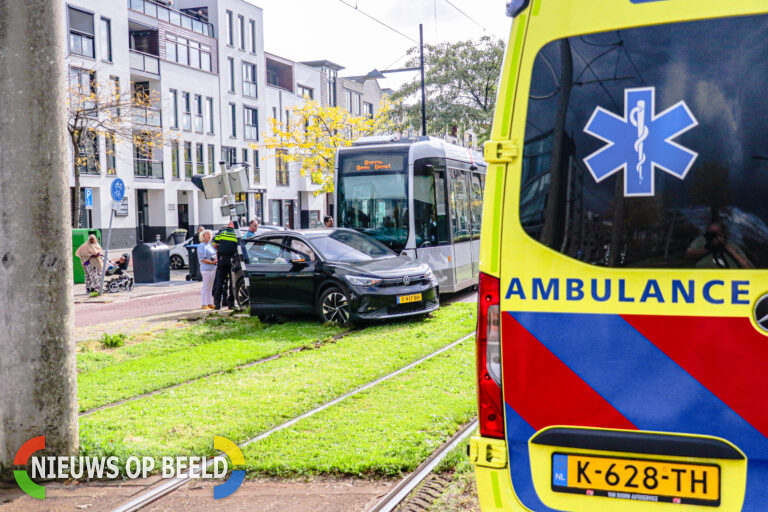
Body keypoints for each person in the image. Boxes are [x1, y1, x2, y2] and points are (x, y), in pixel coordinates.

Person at [685, 221, 754, 269]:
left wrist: (726, 246)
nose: (712, 236)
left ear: (723, 234)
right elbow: (688, 255)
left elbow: (748, 268)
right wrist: (709, 247)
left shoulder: (732, 245)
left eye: (715, 233)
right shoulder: (701, 241)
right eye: (709, 233)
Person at [212, 220, 239, 309]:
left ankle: (217, 304)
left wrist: (219, 248)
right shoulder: (237, 234)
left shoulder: (222, 233)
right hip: (232, 260)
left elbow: (214, 243)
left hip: (222, 259)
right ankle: (231, 303)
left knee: (220, 282)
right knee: (232, 283)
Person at [197, 229, 217, 309]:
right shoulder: (201, 246)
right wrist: (211, 262)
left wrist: (215, 259)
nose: (209, 236)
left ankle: (209, 302)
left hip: (213, 267)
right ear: (203, 236)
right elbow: (202, 259)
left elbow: (214, 253)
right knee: (205, 285)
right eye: (207, 234)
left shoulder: (210, 245)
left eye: (210, 234)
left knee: (210, 286)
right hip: (206, 268)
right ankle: (203, 303)